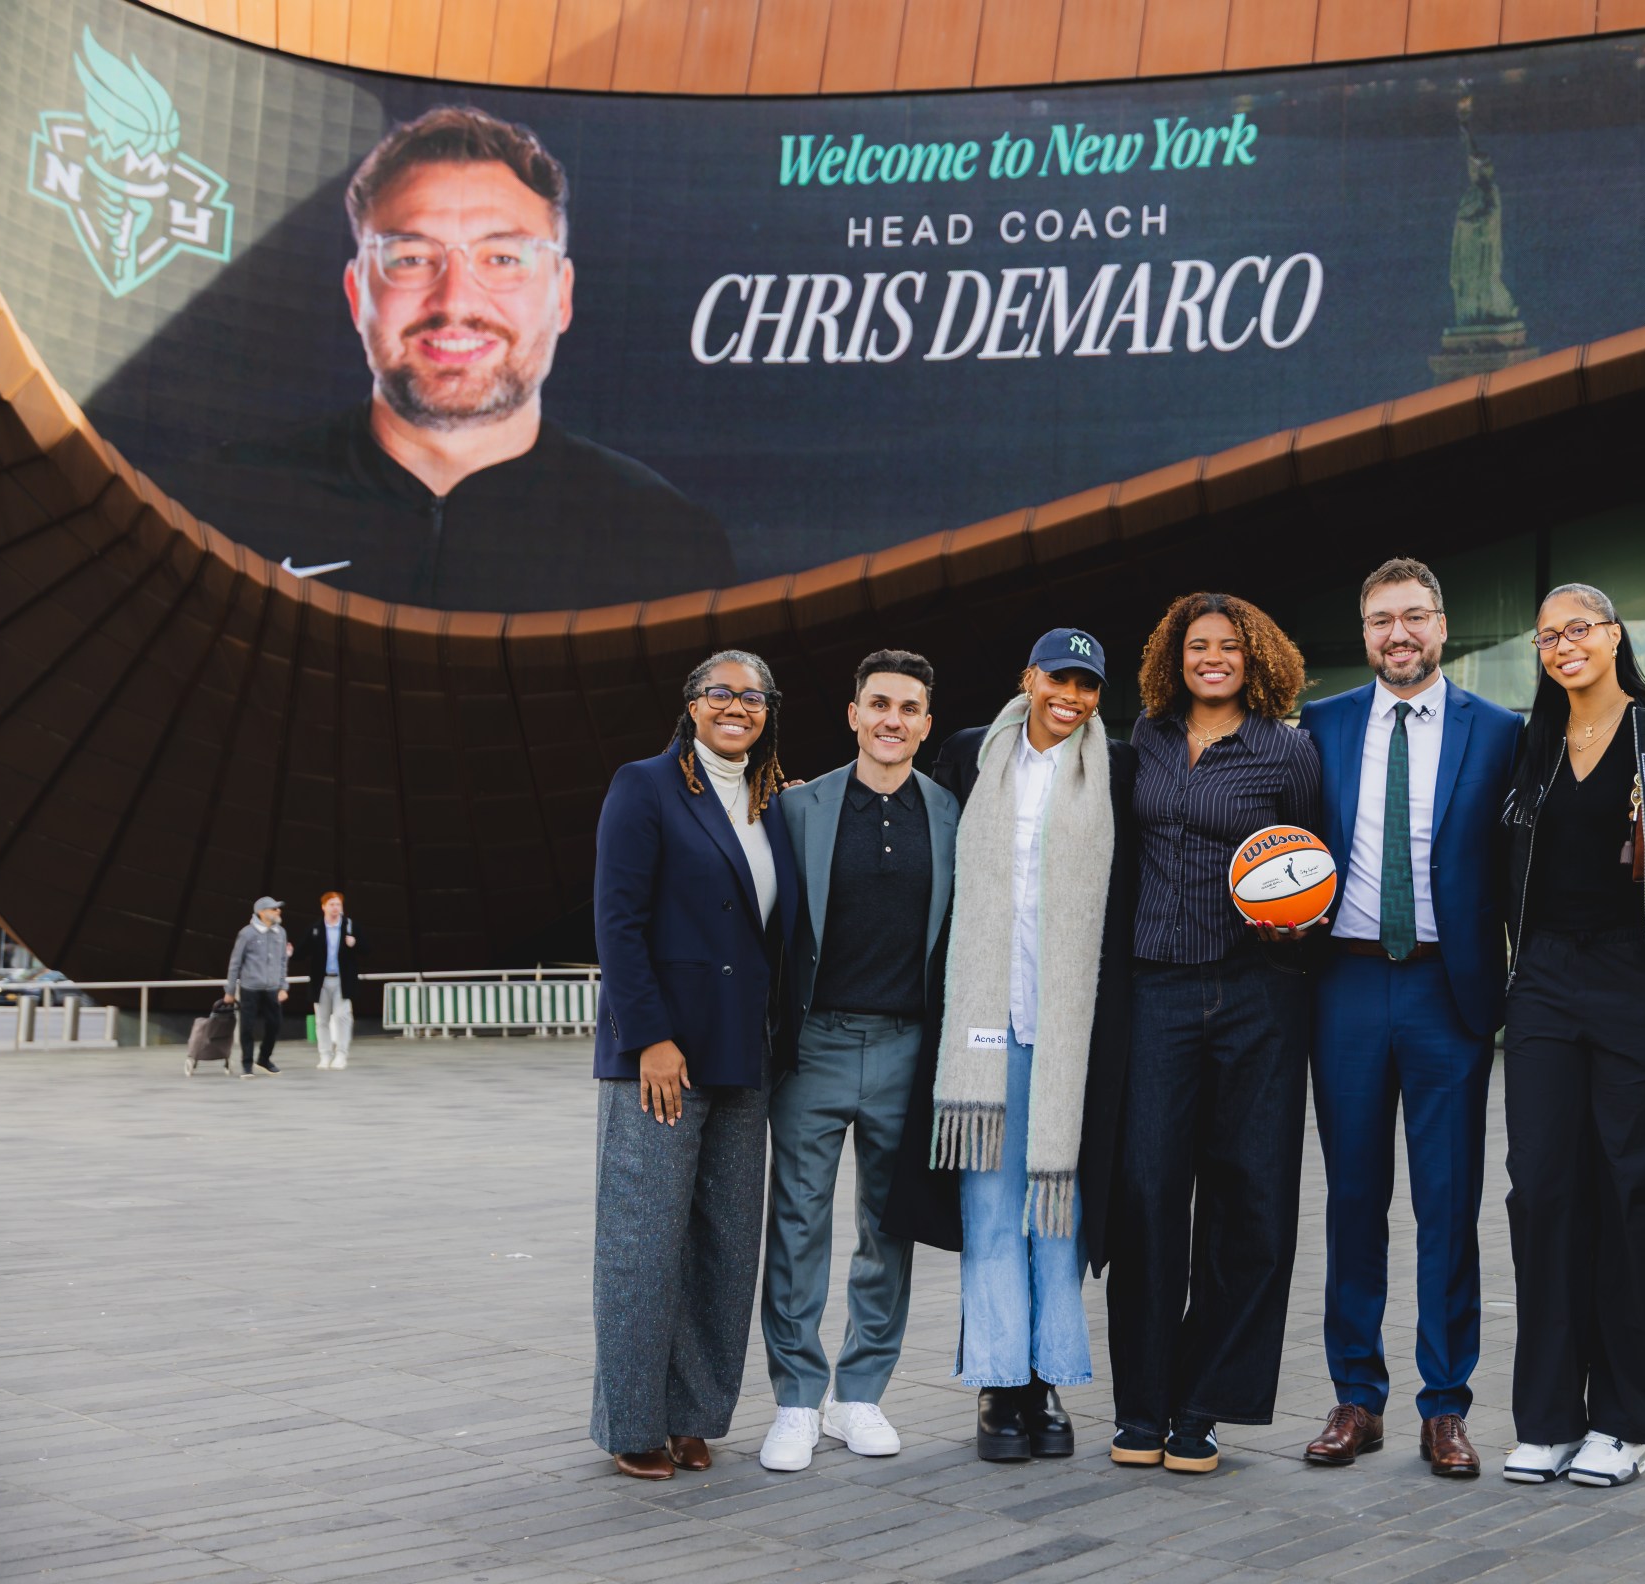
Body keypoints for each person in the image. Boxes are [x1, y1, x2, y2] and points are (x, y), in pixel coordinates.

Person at [164, 106, 733, 610]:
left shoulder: (663, 543)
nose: (455, 300)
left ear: (562, 296)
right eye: (411, 258)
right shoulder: (215, 512)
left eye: (503, 258)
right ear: (357, 295)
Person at [882, 628, 1139, 1463]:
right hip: (983, 1027)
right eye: (1059, 679)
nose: (1072, 697)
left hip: (1072, 1029)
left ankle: (1048, 1380)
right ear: (1029, 677)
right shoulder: (970, 755)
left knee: (1057, 1210)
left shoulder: (1118, 769)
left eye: (1087, 686)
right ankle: (999, 1384)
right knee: (991, 1209)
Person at [1296, 558, 1521, 1479]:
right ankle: (1357, 1396)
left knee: (1448, 1204)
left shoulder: (1497, 730)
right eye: (1383, 619)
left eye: (1415, 616)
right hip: (1345, 985)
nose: (1400, 634)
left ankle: (1446, 1406)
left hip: (1446, 990)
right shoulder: (1319, 726)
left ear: (1442, 625)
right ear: (1364, 633)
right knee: (1353, 1199)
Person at [1498, 583, 1645, 1489]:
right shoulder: (1533, 741)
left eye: (1579, 629)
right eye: (1547, 635)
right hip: (1545, 976)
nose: (1564, 645)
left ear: (1615, 635)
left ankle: (1626, 1423)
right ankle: (1549, 1419)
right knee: (1541, 1191)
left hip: (1644, 974)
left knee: (1639, 1191)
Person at [1110, 592, 1321, 1474]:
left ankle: (1201, 1408)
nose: (1213, 657)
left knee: (1249, 1200)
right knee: (1146, 1193)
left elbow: (1312, 862)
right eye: (1197, 645)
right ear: (1174, 657)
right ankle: (1142, 1405)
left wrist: (1296, 922)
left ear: (1255, 657)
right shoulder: (1147, 738)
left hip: (1255, 994)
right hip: (1155, 990)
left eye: (1229, 646)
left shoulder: (1287, 750)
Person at [589, 650, 799, 1481]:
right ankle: (634, 1422)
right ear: (691, 702)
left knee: (725, 1246)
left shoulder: (774, 802)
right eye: (721, 692)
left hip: (743, 1054)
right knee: (643, 1243)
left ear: (769, 711)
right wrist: (648, 1037)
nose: (736, 706)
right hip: (663, 1057)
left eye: (753, 697)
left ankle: (694, 1416)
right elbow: (617, 918)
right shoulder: (644, 786)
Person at [757, 651, 957, 1473]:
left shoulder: (949, 812)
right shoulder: (797, 807)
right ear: (853, 714)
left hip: (907, 1045)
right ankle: (797, 1400)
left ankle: (861, 1392)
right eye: (879, 704)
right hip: (816, 1044)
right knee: (797, 1223)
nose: (891, 720)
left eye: (908, 708)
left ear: (926, 724)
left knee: (888, 1227)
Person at [224, 896, 291, 1077]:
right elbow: (235, 963)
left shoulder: (280, 932)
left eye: (278, 908)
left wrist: (283, 986)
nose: (278, 911)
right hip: (250, 988)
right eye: (273, 908)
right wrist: (230, 991)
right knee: (247, 1026)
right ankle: (247, 1063)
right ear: (261, 912)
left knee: (275, 1024)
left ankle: (264, 1058)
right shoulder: (247, 933)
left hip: (272, 988)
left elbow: (283, 961)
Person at [300, 892, 361, 1070]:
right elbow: (302, 951)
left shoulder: (349, 926)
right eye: (332, 904)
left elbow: (367, 949)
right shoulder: (316, 928)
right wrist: (290, 953)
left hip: (342, 980)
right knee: (321, 1020)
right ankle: (325, 1055)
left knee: (342, 1016)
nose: (335, 908)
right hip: (322, 981)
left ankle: (341, 1054)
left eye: (338, 904)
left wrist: (354, 943)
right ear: (324, 907)